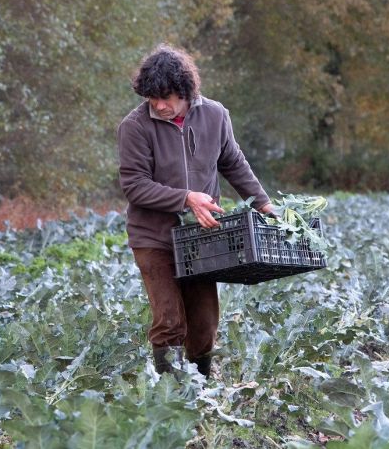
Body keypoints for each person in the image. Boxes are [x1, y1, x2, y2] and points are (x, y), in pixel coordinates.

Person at [117, 44, 275, 379]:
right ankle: (170, 394)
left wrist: (263, 203)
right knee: (170, 319)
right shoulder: (134, 127)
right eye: (151, 98)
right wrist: (187, 197)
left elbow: (233, 163)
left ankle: (202, 385)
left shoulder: (216, 115)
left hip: (201, 237)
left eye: (167, 97)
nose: (159, 105)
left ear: (187, 92)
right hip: (153, 238)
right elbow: (134, 185)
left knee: (203, 324)